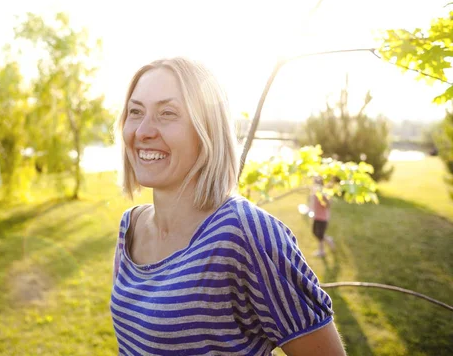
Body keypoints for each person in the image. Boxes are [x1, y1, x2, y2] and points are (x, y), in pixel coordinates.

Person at [110, 57, 346, 355]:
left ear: (206, 130)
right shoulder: (129, 228)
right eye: (135, 111)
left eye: (167, 113)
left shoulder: (247, 234)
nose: (143, 131)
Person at [309, 177, 335, 257]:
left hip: (323, 218)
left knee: (320, 235)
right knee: (315, 232)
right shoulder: (314, 193)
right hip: (316, 216)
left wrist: (325, 198)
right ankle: (328, 239)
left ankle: (321, 251)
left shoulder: (324, 194)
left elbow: (328, 205)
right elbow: (312, 202)